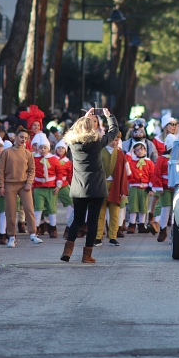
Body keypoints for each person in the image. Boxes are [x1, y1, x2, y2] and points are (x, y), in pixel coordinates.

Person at [61, 108, 119, 263]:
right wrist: (109, 116)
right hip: (96, 187)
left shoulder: (72, 142)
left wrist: (84, 117)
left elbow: (71, 131)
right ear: (92, 127)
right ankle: (87, 255)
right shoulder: (97, 142)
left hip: (79, 186)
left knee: (77, 220)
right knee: (93, 221)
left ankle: (67, 250)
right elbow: (114, 132)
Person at [0, 127, 39, 248]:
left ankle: (33, 234)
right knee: (10, 211)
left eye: (25, 138)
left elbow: (32, 170)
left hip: (24, 184)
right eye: (21, 137)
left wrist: (29, 183)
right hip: (9, 184)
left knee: (29, 209)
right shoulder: (6, 152)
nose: (23, 140)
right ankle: (11, 237)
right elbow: (0, 170)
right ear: (15, 137)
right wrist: (1, 185)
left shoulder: (28, 153)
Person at [95, 131, 129, 247]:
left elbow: (124, 173)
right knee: (100, 213)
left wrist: (123, 190)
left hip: (115, 186)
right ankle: (98, 237)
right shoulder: (100, 152)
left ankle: (113, 237)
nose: (116, 142)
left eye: (118, 140)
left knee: (114, 214)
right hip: (101, 185)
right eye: (115, 140)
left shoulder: (120, 153)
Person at [31, 133, 60, 238]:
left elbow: (59, 173)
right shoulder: (34, 159)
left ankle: (53, 228)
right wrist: (32, 185)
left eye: (45, 148)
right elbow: (31, 172)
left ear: (48, 149)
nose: (42, 150)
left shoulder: (54, 159)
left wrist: (58, 185)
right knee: (38, 208)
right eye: (40, 148)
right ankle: (36, 228)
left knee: (52, 208)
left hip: (51, 187)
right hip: (38, 187)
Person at [151, 134, 176, 241]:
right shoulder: (162, 159)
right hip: (165, 188)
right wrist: (159, 187)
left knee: (175, 210)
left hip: (176, 187)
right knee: (165, 208)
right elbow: (157, 173)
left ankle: (175, 232)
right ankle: (163, 230)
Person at [126, 141, 154, 234]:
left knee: (143, 207)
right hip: (134, 186)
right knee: (133, 206)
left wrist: (151, 187)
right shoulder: (131, 161)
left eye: (142, 149)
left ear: (145, 150)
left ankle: (142, 225)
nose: (140, 151)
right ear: (134, 151)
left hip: (145, 188)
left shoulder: (149, 162)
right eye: (137, 150)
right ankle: (132, 225)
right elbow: (125, 162)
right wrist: (130, 152)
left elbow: (152, 175)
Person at [54, 140, 74, 239]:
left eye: (62, 148)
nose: (60, 149)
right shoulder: (52, 159)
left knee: (74, 204)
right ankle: (48, 226)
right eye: (58, 148)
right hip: (52, 185)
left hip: (64, 185)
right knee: (48, 208)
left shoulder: (68, 162)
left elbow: (70, 175)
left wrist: (72, 185)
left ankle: (69, 227)